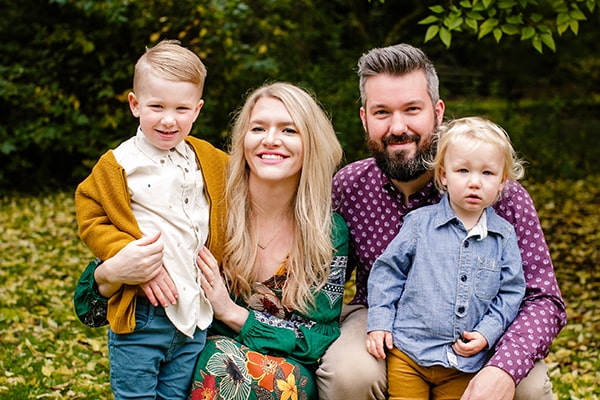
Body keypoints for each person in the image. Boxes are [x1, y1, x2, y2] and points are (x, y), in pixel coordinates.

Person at [316, 44, 567, 400]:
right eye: (382, 112)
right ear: (364, 117)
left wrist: (503, 367)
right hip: (381, 318)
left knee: (526, 386)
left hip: (478, 324)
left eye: (412, 110)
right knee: (348, 373)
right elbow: (323, 277)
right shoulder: (349, 186)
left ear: (437, 112)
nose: (397, 126)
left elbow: (543, 298)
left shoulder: (499, 194)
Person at [73, 82, 349, 400]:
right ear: (243, 139)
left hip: (278, 375)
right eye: (258, 128)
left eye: (289, 130)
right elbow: (88, 309)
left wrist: (231, 312)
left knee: (254, 373)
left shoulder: (325, 232)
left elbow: (318, 336)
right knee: (217, 358)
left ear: (311, 142)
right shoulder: (209, 205)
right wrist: (111, 273)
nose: (271, 140)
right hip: (194, 356)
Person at [74, 40, 227, 399]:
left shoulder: (208, 157)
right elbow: (91, 215)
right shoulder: (119, 164)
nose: (168, 119)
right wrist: (130, 254)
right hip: (143, 313)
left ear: (197, 110)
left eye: (181, 108)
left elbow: (248, 176)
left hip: (194, 313)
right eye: (156, 106)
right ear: (135, 104)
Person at [366, 117, 527, 399]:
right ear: (443, 175)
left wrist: (488, 332)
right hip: (408, 354)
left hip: (463, 363)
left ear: (502, 182)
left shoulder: (503, 236)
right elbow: (387, 272)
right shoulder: (418, 224)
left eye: (487, 173)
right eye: (463, 170)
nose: (475, 182)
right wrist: (380, 321)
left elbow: (511, 291)